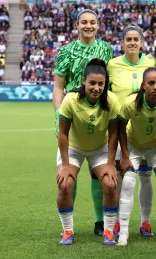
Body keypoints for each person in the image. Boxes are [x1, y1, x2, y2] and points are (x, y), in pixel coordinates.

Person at [53, 9, 114, 236]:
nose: (88, 26)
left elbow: (110, 84)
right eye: (84, 22)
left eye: (93, 22)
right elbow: (59, 86)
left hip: (99, 116)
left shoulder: (106, 49)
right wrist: (59, 114)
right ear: (77, 25)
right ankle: (69, 226)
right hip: (72, 116)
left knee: (97, 172)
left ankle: (100, 223)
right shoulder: (67, 51)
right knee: (70, 171)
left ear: (98, 25)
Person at [56, 59, 120, 246]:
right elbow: (63, 134)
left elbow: (114, 134)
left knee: (110, 183)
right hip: (73, 148)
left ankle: (108, 230)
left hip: (99, 149)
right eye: (92, 83)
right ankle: (68, 231)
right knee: (65, 183)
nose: (96, 88)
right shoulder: (71, 100)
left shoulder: (111, 100)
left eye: (101, 84)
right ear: (84, 81)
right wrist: (66, 165)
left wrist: (110, 164)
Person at [117, 67, 156, 245]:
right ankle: (123, 233)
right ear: (143, 85)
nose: (155, 86)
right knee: (128, 182)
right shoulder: (130, 104)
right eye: (151, 83)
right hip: (133, 146)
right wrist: (125, 156)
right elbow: (120, 129)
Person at [107, 25, 156, 237]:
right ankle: (118, 221)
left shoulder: (150, 63)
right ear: (122, 42)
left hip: (144, 129)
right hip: (120, 130)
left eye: (136, 39)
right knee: (122, 176)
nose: (132, 42)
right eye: (128, 39)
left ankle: (145, 223)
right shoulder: (113, 64)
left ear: (141, 42)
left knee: (145, 178)